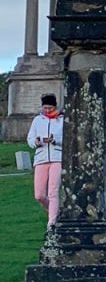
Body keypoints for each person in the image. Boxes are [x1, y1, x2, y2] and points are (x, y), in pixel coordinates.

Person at [26, 93, 64, 228]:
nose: (47, 110)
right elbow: (30, 139)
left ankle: (51, 222)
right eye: (45, 108)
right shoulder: (37, 120)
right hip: (41, 159)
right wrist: (36, 142)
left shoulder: (62, 120)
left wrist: (55, 141)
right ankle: (55, 212)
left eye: (50, 108)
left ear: (55, 107)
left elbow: (68, 139)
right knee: (39, 195)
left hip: (57, 158)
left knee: (53, 191)